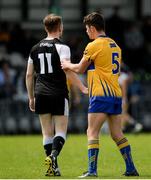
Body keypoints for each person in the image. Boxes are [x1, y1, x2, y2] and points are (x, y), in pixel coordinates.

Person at [61, 12, 139, 178]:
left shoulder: (94, 45)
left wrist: (67, 64)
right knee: (117, 134)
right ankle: (131, 168)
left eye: (87, 29)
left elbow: (81, 68)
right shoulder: (115, 45)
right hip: (115, 95)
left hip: (100, 94)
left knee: (92, 132)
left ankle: (92, 170)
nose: (86, 32)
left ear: (92, 28)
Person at [26, 14, 88, 177]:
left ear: (45, 27)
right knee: (60, 131)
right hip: (58, 93)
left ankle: (52, 168)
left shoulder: (34, 48)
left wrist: (31, 97)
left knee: (47, 133)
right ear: (60, 27)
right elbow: (67, 70)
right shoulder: (63, 47)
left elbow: (28, 75)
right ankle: (53, 156)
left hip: (40, 93)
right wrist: (82, 87)